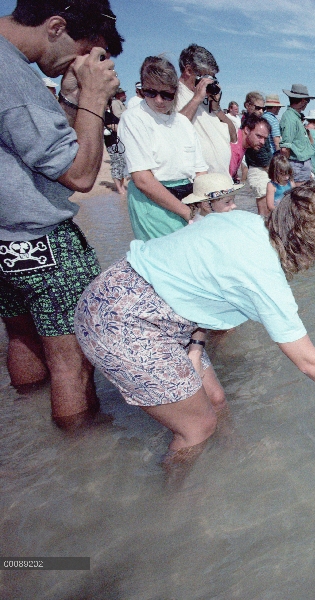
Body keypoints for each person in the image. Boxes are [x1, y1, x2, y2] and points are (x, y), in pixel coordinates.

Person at [74, 181, 315, 471]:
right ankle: (179, 507)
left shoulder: (245, 221)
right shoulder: (264, 274)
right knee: (197, 427)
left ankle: (232, 456)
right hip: (122, 320)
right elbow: (308, 361)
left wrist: (196, 345)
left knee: (214, 397)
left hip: (124, 294)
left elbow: (194, 276)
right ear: (308, 240)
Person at [0, 0, 123, 427]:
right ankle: (79, 460)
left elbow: (54, 147)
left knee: (20, 333)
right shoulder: (14, 78)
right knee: (73, 359)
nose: (84, 64)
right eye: (82, 52)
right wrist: (92, 97)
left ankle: (30, 429)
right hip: (42, 240)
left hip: (3, 240)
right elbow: (80, 172)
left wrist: (71, 97)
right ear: (55, 27)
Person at [118, 55, 207, 241]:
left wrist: (206, 208)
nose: (159, 100)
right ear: (141, 89)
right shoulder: (133, 118)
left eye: (166, 94)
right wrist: (187, 213)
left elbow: (200, 172)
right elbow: (142, 179)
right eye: (150, 92)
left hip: (189, 199)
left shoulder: (183, 122)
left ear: (175, 92)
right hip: (152, 202)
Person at [175, 43, 235, 175]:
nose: (210, 82)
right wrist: (197, 98)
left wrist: (216, 108)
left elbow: (233, 137)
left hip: (222, 182)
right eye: (207, 77)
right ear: (189, 71)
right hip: (197, 184)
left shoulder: (207, 100)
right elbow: (175, 129)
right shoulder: (172, 94)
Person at [241, 92, 274, 214]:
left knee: (267, 207)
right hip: (258, 169)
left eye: (263, 108)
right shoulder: (249, 124)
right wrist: (271, 169)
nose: (261, 111)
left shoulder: (257, 123)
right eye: (257, 107)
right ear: (248, 105)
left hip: (262, 168)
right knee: (264, 209)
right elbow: (259, 154)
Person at [279, 83, 315, 183]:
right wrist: (286, 168)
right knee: (298, 195)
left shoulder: (295, 117)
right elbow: (285, 148)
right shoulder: (290, 118)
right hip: (296, 163)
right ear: (302, 101)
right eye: (307, 101)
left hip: (302, 163)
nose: (307, 103)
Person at [229, 113, 270, 181]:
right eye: (259, 136)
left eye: (265, 138)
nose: (262, 142)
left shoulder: (242, 143)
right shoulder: (235, 147)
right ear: (247, 130)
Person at [105, 87, 126, 196]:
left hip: (117, 141)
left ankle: (121, 186)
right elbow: (113, 127)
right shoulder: (105, 115)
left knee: (121, 163)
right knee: (116, 163)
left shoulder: (110, 113)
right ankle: (119, 187)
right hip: (111, 142)